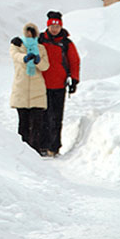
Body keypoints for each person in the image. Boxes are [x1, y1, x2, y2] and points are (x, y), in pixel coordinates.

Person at [38, 10, 80, 157]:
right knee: (43, 116)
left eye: (57, 26)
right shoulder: (40, 40)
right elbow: (27, 49)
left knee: (56, 117)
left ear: (61, 27)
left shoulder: (66, 43)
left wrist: (74, 79)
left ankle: (54, 147)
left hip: (59, 86)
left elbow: (74, 61)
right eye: (52, 26)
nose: (55, 29)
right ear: (48, 26)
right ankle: (42, 145)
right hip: (42, 85)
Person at [9, 22, 49, 155]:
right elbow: (15, 56)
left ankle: (35, 151)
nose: (30, 36)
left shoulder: (41, 48)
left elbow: (45, 66)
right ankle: (23, 151)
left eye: (32, 34)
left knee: (37, 124)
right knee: (23, 124)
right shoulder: (17, 46)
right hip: (21, 89)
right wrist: (25, 58)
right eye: (28, 34)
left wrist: (38, 61)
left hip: (37, 90)